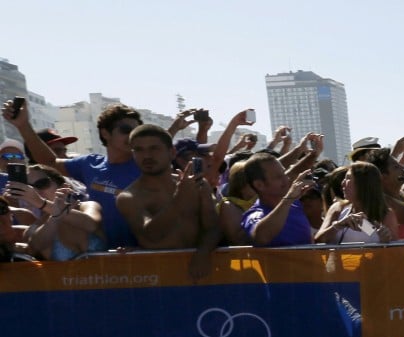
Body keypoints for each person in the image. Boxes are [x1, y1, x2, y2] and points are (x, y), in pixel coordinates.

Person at [3, 100, 143, 248]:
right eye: (126, 130)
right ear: (105, 133)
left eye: (136, 131)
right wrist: (23, 125)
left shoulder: (146, 167)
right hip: (98, 257)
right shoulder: (89, 164)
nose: (132, 136)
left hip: (144, 255)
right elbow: (50, 162)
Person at [116, 125, 221, 279]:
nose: (147, 156)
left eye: (154, 148)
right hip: (157, 278)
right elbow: (152, 234)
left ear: (171, 152)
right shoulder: (129, 197)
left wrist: (203, 254)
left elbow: (213, 227)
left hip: (202, 273)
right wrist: (180, 197)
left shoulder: (198, 184)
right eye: (139, 150)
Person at [241, 152, 315, 247]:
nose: (286, 179)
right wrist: (288, 200)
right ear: (259, 185)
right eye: (278, 177)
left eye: (284, 173)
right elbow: (261, 238)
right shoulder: (254, 215)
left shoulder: (295, 205)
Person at [314, 161, 395, 244]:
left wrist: (384, 242)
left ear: (363, 184)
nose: (342, 183)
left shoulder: (385, 215)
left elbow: (397, 252)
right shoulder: (338, 208)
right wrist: (338, 225)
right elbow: (318, 240)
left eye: (348, 178)